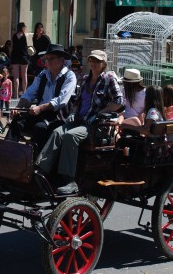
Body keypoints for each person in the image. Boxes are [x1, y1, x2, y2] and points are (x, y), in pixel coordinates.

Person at [35, 50, 124, 194]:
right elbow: (77, 101)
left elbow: (119, 102)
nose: (93, 63)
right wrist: (74, 113)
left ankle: (69, 181)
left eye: (97, 61)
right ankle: (41, 171)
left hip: (96, 125)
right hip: (80, 120)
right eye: (91, 60)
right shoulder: (84, 79)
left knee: (70, 136)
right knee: (57, 132)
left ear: (103, 64)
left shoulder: (109, 79)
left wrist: (99, 114)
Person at [6, 44, 76, 148]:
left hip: (58, 116)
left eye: (51, 58)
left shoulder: (70, 76)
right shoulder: (43, 74)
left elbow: (62, 101)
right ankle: (7, 152)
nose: (47, 62)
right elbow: (30, 93)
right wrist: (19, 107)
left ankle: (35, 160)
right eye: (46, 59)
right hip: (39, 113)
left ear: (61, 60)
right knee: (17, 121)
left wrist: (40, 107)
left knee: (40, 128)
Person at [10, 22, 30, 99]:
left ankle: (16, 94)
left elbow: (12, 47)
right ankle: (24, 93)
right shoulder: (25, 36)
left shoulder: (14, 36)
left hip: (15, 56)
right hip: (23, 56)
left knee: (16, 76)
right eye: (24, 27)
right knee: (24, 76)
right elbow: (26, 47)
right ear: (22, 28)